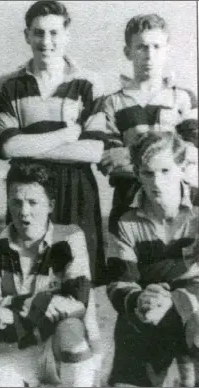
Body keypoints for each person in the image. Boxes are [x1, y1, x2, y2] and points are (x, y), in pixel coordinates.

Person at [0, 0, 106, 286]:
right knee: (28, 276)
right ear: (27, 36)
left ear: (66, 34)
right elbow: (7, 148)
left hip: (76, 188)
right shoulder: (8, 84)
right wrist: (65, 136)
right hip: (27, 188)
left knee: (77, 278)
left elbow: (93, 150)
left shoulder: (88, 83)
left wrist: (29, 145)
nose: (47, 41)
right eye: (39, 33)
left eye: (54, 33)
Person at [0, 162, 101, 387]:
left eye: (33, 202)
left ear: (50, 204)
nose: (24, 212)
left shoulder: (70, 237)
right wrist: (48, 302)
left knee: (71, 329)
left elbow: (78, 302)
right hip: (9, 349)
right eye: (16, 202)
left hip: (55, 345)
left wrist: (16, 307)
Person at [85, 14, 198, 232]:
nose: (149, 55)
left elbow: (193, 153)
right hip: (128, 204)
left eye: (156, 46)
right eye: (141, 47)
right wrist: (168, 154)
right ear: (128, 52)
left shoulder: (184, 98)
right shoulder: (112, 102)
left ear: (167, 50)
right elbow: (109, 163)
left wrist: (130, 153)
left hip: (178, 205)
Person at [106, 131, 199, 387]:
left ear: (182, 168)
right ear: (136, 173)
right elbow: (118, 282)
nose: (157, 182)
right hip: (149, 303)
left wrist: (179, 300)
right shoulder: (123, 217)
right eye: (148, 173)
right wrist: (139, 300)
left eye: (165, 171)